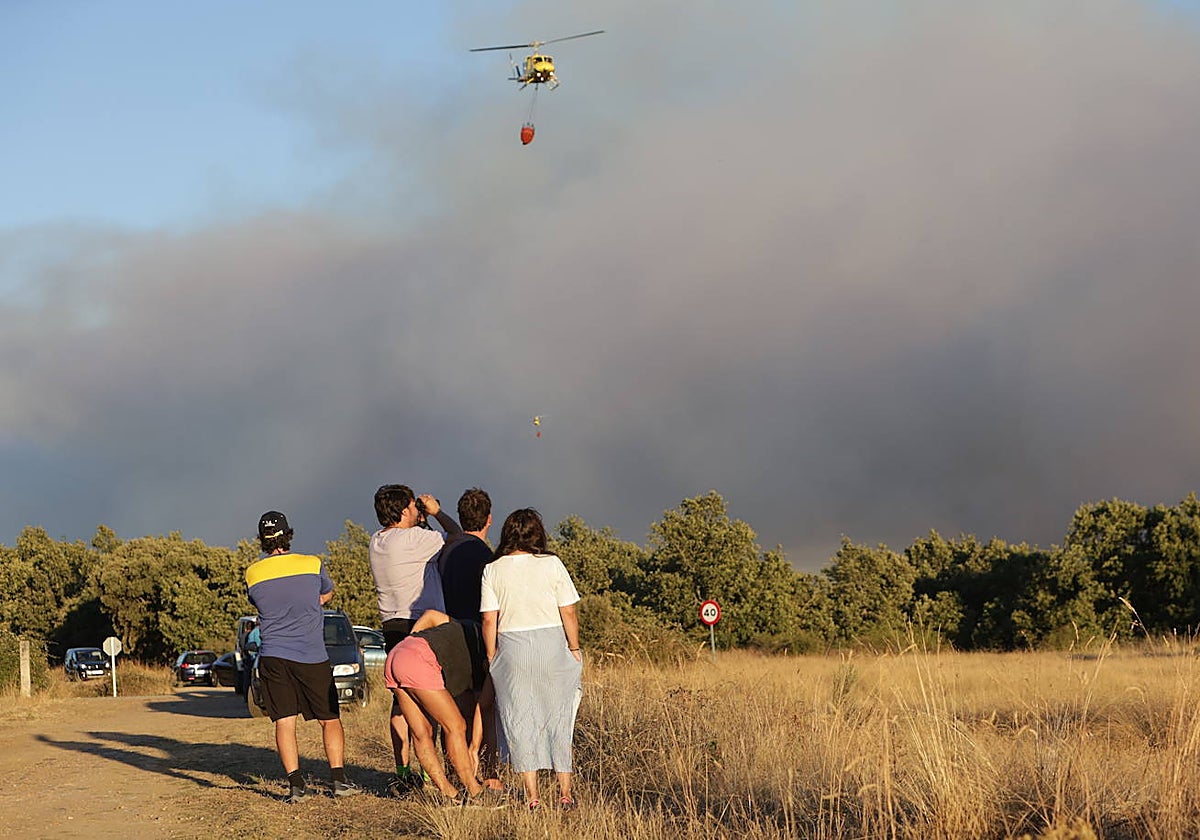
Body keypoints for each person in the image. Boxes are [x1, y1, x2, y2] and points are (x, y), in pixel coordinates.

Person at [245, 511, 360, 803]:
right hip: (311, 655)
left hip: (273, 656)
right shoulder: (312, 564)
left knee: (284, 722)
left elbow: (258, 600)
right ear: (288, 534)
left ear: (262, 540)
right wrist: (312, 601)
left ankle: (296, 786)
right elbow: (327, 593)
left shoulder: (253, 572)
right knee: (330, 718)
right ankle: (338, 781)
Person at [481, 508, 583, 811]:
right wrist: (574, 648)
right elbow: (568, 611)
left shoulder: (493, 569)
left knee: (519, 719)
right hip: (553, 644)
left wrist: (492, 657)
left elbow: (489, 619)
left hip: (511, 648)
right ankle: (565, 793)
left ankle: (533, 797)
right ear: (537, 532)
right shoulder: (552, 564)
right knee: (559, 717)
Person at [368, 483, 462, 793]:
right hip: (421, 625)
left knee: (403, 703)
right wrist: (436, 512)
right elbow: (458, 537)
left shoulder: (377, 541)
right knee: (431, 702)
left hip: (391, 625)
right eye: (413, 505)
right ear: (405, 509)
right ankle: (430, 776)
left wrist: (419, 517)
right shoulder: (413, 539)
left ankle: (403, 769)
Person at [383, 609, 496, 805]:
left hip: (397, 654)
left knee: (421, 733)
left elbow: (431, 615)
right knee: (456, 726)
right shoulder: (488, 656)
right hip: (419, 659)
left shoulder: (466, 625)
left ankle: (450, 794)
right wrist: (474, 749)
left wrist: (412, 640)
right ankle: (474, 791)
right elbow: (480, 708)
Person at [435, 487, 501, 788]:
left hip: (449, 634)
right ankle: (488, 772)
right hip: (478, 633)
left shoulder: (447, 549)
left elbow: (453, 532)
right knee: (483, 707)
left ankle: (457, 771)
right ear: (489, 519)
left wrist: (437, 514)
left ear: (462, 518)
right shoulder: (489, 557)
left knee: (454, 711)